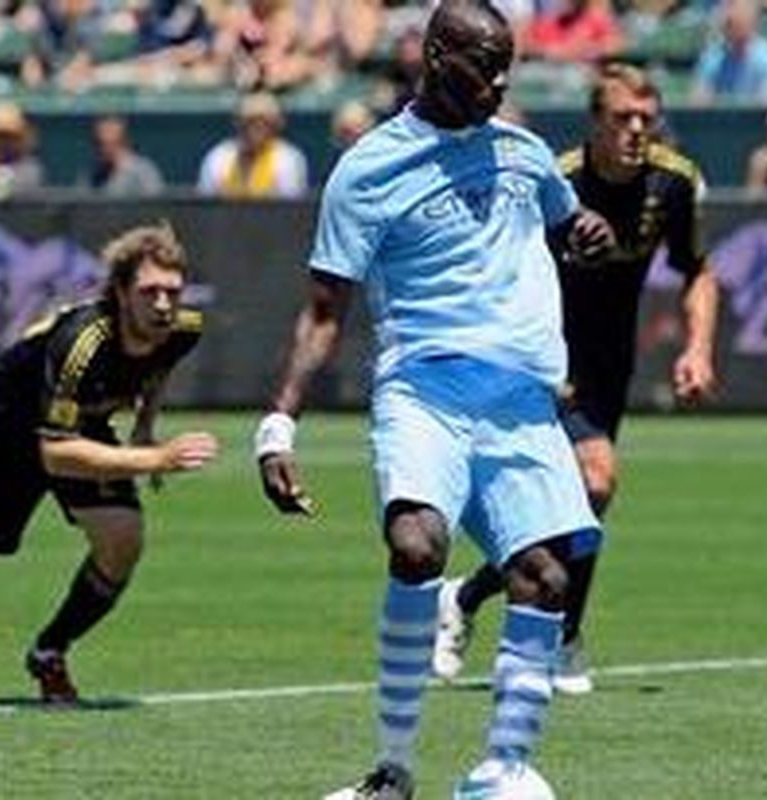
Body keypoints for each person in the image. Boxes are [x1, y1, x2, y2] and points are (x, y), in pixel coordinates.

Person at [253, 2, 614, 797]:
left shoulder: (522, 150)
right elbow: (324, 310)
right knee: (418, 546)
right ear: (435, 54)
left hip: (522, 399)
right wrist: (280, 426)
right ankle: (392, 771)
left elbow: (569, 221)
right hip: (427, 389)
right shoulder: (368, 168)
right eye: (485, 63)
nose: (499, 80)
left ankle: (502, 771)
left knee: (547, 578)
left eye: (507, 64)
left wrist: (586, 230)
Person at [432, 62, 720, 695]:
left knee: (573, 503)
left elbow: (697, 269)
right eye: (623, 118)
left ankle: (470, 596)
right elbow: (499, 268)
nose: (637, 130)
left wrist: (698, 348)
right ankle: (561, 636)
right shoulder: (552, 179)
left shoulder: (673, 183)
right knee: (594, 482)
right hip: (538, 361)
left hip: (610, 367)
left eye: (647, 118)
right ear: (595, 122)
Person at [0, 223, 219, 702]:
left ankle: (49, 652)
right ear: (122, 292)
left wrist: (145, 426)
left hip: (77, 424)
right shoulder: (82, 344)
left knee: (122, 539)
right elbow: (55, 454)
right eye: (149, 292)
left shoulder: (182, 329)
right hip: (2, 435)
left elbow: (157, 368)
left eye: (172, 291)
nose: (164, 304)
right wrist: (155, 457)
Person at [196, 91, 309, 199]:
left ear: (276, 125)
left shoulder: (288, 158)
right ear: (238, 123)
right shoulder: (219, 157)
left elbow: (290, 210)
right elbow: (205, 204)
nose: (257, 127)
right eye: (249, 121)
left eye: (265, 121)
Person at [83, 115, 166, 197]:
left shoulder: (143, 172)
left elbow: (156, 206)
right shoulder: (91, 174)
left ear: (124, 142)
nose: (102, 150)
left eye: (109, 144)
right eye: (97, 144)